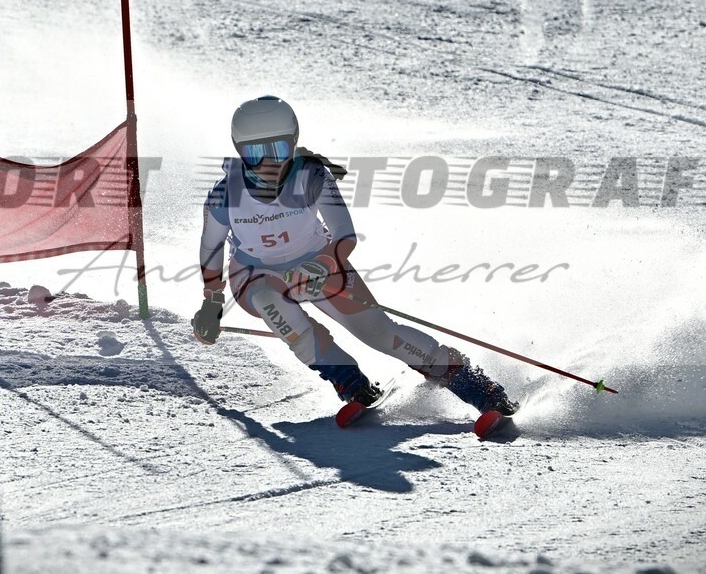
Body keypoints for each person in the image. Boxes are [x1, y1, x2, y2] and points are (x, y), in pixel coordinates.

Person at [192, 96, 518, 418]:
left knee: (379, 333)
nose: (268, 165)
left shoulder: (312, 177)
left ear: (293, 144)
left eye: (277, 150)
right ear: (239, 151)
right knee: (271, 302)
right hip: (254, 273)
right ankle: (350, 382)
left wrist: (323, 264)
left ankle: (477, 387)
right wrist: (211, 304)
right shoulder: (225, 195)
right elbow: (211, 249)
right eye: (254, 153)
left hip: (320, 259)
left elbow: (344, 234)